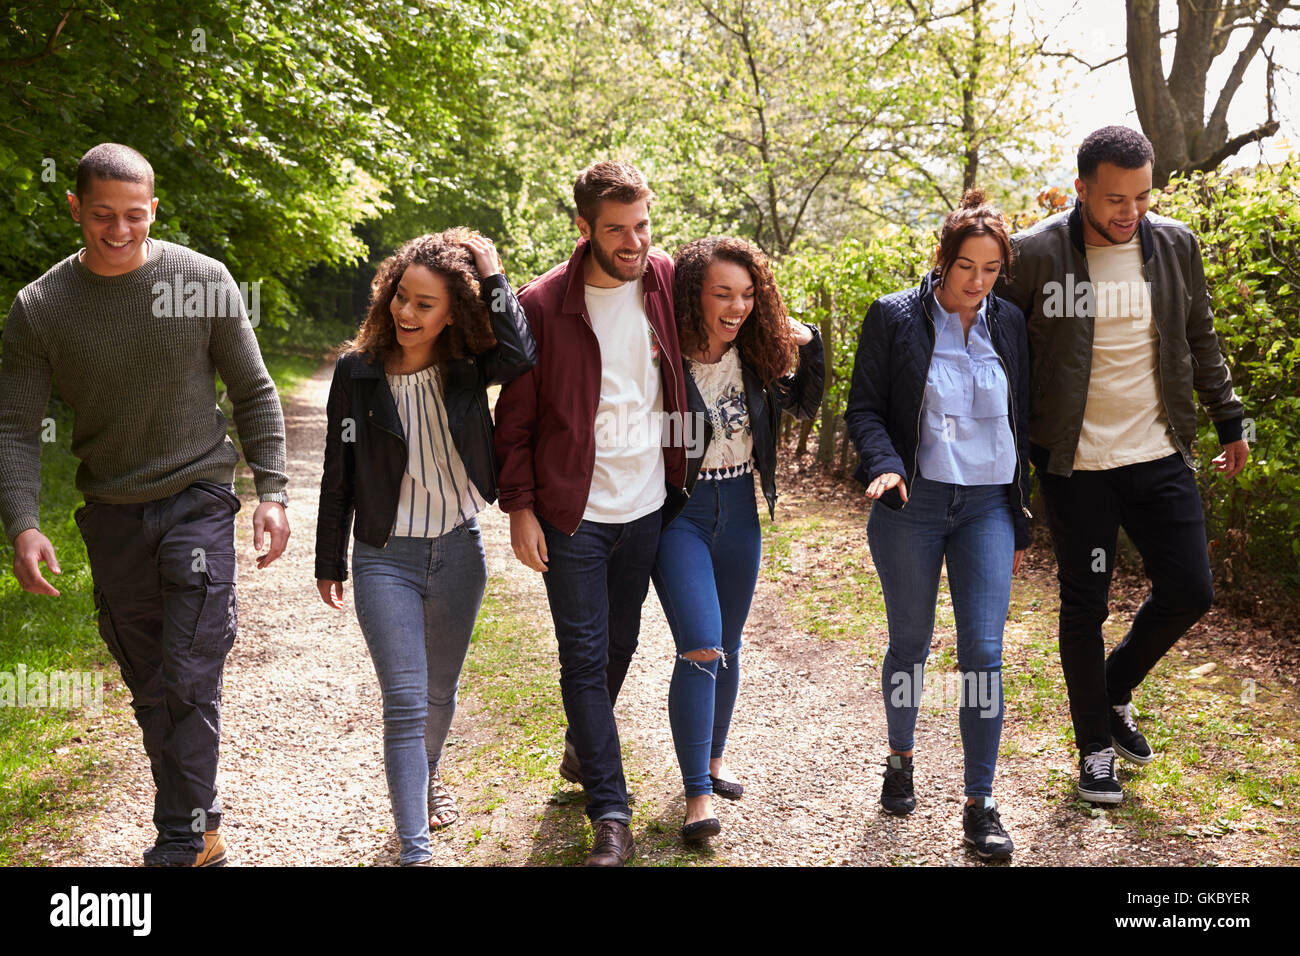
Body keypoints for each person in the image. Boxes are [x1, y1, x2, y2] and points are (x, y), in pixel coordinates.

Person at [0, 143, 290, 866]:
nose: (120, 230)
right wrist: (25, 522)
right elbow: (13, 425)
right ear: (75, 208)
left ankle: (181, 838)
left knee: (191, 670)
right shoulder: (40, 308)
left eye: (135, 215)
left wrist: (274, 492)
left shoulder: (200, 280)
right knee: (151, 680)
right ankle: (203, 824)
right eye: (103, 216)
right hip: (113, 511)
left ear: (154, 209)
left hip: (197, 496)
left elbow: (253, 392)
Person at [1002, 126, 1247, 805]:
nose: (1129, 212)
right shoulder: (1034, 255)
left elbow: (1200, 333)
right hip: (1076, 466)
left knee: (1191, 590)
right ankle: (1094, 750)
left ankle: (1112, 689)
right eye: (1114, 198)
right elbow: (995, 352)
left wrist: (1228, 417)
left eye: (1141, 197)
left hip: (1159, 451)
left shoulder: (1174, 245)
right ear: (1080, 189)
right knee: (1085, 604)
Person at [315, 228, 535, 866]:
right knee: (407, 699)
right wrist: (331, 559)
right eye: (400, 298)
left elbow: (521, 355)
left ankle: (427, 775)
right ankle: (415, 850)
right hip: (385, 556)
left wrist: (492, 275)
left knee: (441, 694)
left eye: (425, 304)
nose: (406, 314)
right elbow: (339, 468)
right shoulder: (357, 373)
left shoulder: (468, 365)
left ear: (454, 311)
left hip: (459, 547)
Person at [494, 160, 688, 866]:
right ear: (583, 229)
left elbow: (733, 297)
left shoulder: (663, 277)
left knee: (620, 643)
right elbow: (512, 422)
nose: (635, 242)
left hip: (647, 504)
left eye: (643, 225)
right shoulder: (542, 305)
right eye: (618, 230)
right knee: (583, 655)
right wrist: (520, 509)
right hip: (571, 512)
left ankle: (584, 743)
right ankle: (612, 812)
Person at [845, 188, 1030, 860]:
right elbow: (862, 409)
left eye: (989, 270)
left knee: (983, 655)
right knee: (912, 646)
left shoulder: (1008, 323)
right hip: (911, 507)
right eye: (965, 268)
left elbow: (1023, 420)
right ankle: (900, 757)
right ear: (941, 260)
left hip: (985, 508)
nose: (977, 283)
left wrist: (1021, 520)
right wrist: (886, 463)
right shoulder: (893, 317)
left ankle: (980, 804)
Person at [652, 237, 823, 843]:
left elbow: (807, 404)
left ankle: (713, 762)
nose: (736, 306)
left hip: (741, 510)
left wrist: (811, 343)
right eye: (723, 293)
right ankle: (697, 796)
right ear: (693, 293)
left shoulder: (755, 356)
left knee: (728, 644)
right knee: (699, 645)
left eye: (748, 294)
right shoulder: (662, 357)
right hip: (682, 516)